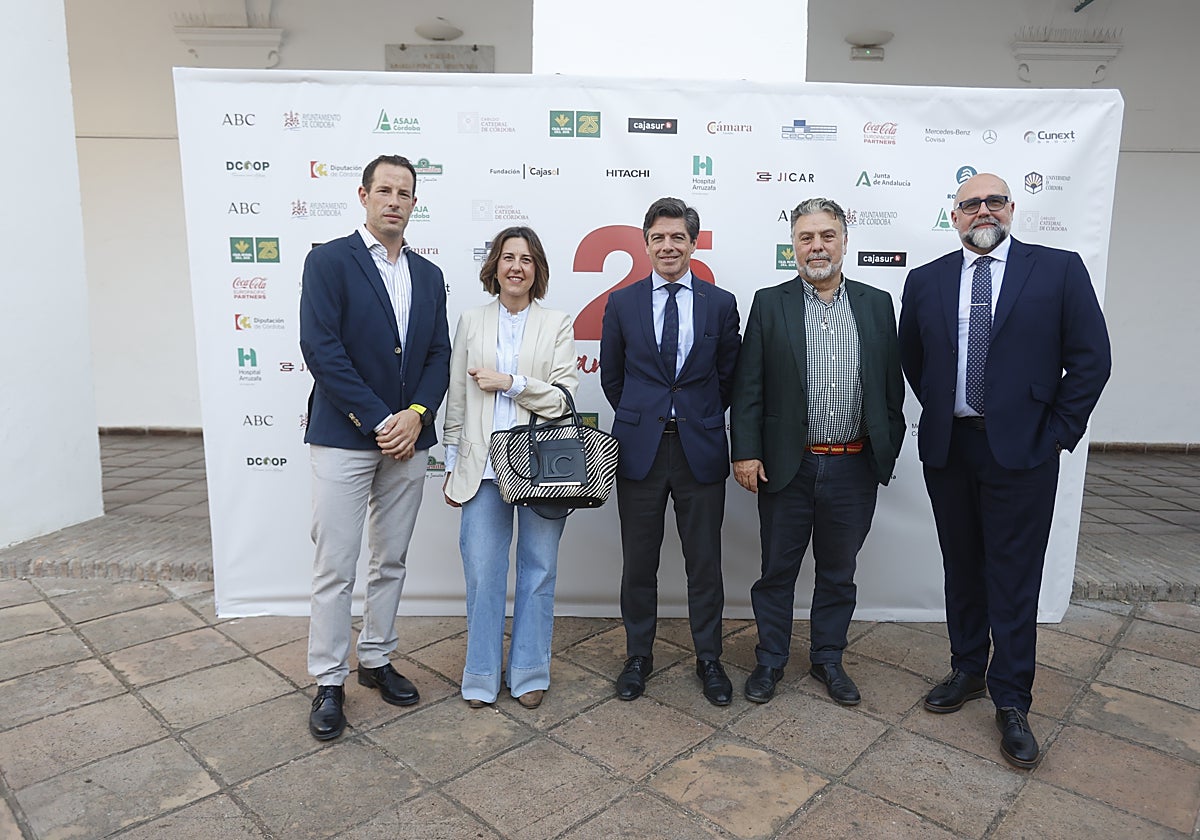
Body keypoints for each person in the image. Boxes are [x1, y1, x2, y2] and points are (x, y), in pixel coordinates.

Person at [898, 172, 1110, 768]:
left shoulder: (1058, 270)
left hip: (1024, 453)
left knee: (1013, 578)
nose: (981, 210)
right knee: (963, 567)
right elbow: (914, 357)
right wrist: (947, 408)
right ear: (954, 216)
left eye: (993, 201)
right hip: (951, 449)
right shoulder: (927, 279)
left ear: (1011, 209)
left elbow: (1092, 359)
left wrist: (1057, 434)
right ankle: (967, 669)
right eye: (969, 204)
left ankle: (1012, 699)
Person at [729, 198, 905, 706]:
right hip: (789, 465)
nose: (817, 246)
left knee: (838, 572)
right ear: (793, 246)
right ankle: (770, 662)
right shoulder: (770, 303)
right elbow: (749, 388)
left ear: (844, 241)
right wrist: (746, 452)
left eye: (827, 235)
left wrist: (884, 451)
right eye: (807, 238)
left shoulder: (876, 303)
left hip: (853, 465)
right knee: (777, 573)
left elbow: (890, 386)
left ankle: (828, 659)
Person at [299, 154, 451, 740]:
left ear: (415, 203)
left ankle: (377, 659)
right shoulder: (329, 261)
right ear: (363, 195)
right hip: (344, 436)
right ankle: (329, 680)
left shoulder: (430, 276)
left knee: (390, 559)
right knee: (335, 565)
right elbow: (321, 348)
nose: (394, 200)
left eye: (404, 193)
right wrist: (378, 419)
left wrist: (414, 416)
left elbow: (439, 354)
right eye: (384, 190)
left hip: (408, 441)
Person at [599, 197, 741, 706]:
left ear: (693, 243)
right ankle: (639, 655)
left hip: (699, 450)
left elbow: (728, 378)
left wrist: (694, 416)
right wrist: (647, 416)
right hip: (640, 452)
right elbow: (614, 379)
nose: (668, 246)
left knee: (704, 562)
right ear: (646, 243)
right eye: (658, 237)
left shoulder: (720, 304)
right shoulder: (622, 303)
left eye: (677, 237)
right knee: (639, 562)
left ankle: (710, 658)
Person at [442, 226, 578, 710]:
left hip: (540, 468)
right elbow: (457, 398)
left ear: (537, 268)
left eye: (526, 258)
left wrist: (512, 383)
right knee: (482, 573)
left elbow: (564, 397)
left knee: (539, 571)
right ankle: (479, 673)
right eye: (507, 257)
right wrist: (452, 463)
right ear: (494, 266)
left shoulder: (557, 322)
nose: (516, 266)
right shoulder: (472, 321)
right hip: (480, 468)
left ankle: (528, 671)